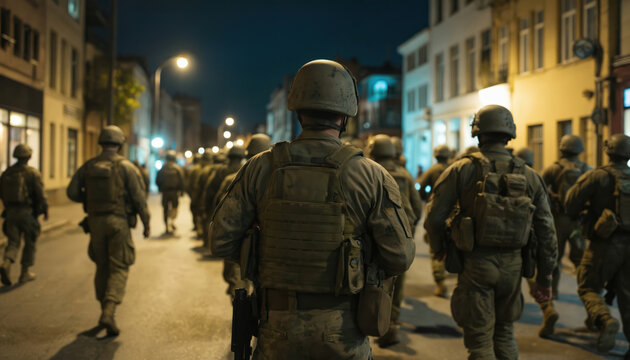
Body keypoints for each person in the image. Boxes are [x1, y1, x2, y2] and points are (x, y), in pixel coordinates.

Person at [209, 59, 415, 359]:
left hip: (276, 325)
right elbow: (400, 256)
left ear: (297, 110)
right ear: (345, 115)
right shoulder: (371, 174)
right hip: (342, 331)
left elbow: (220, 240)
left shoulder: (260, 167)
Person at [425, 105, 557, 359]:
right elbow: (547, 230)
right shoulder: (530, 176)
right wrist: (545, 278)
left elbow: (434, 217)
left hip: (475, 264)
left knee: (479, 341)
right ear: (510, 133)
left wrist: (439, 247)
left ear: (478, 132)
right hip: (514, 266)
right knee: (505, 333)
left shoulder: (461, 169)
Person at [67, 125, 150, 336]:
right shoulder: (127, 167)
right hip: (118, 222)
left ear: (101, 143)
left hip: (95, 223)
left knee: (102, 266)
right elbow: (140, 199)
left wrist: (89, 199)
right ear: (120, 144)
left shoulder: (89, 165)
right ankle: (109, 312)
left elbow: (72, 192)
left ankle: (104, 309)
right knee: (119, 266)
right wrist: (146, 223)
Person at [565, 134, 630, 356]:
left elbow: (570, 203)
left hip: (604, 244)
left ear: (608, 150)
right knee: (627, 297)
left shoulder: (597, 176)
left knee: (587, 287)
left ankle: (605, 319)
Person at [368, 134, 422, 348]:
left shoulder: (368, 171)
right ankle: (392, 324)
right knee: (396, 284)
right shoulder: (405, 175)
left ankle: (374, 322)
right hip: (400, 239)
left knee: (373, 283)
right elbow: (417, 208)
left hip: (374, 238)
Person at [534, 135, 590, 337]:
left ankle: (553, 294)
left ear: (562, 149)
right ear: (580, 149)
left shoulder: (553, 168)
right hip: (578, 224)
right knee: (582, 263)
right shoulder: (587, 169)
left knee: (553, 260)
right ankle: (591, 304)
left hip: (558, 221)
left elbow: (539, 190)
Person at [214, 134, 271, 298]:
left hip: (242, 246)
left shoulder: (233, 179)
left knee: (239, 291)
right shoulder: (280, 180)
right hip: (268, 252)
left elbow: (220, 217)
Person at [0, 144, 48, 286]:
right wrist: (45, 210)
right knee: (30, 242)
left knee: (13, 242)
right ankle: (24, 272)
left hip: (10, 213)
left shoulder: (6, 173)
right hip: (27, 213)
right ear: (28, 157)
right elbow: (40, 195)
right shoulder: (32, 173)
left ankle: (6, 263)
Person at [419, 144, 452, 297]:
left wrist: (427, 199)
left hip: (435, 211)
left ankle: (440, 283)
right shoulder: (453, 168)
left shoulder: (432, 171)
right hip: (452, 213)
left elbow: (421, 189)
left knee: (435, 247)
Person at [156, 150, 185, 234]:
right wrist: (182, 191)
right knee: (174, 208)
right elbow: (182, 180)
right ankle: (171, 222)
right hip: (174, 192)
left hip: (165, 192)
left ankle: (166, 226)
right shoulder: (178, 168)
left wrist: (160, 188)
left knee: (165, 209)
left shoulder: (162, 168)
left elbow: (157, 180)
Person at [186, 153, 203, 231]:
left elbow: (189, 183)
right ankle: (200, 227)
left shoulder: (192, 169)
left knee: (194, 209)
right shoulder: (204, 168)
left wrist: (190, 194)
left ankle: (197, 226)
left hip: (194, 193)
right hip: (202, 193)